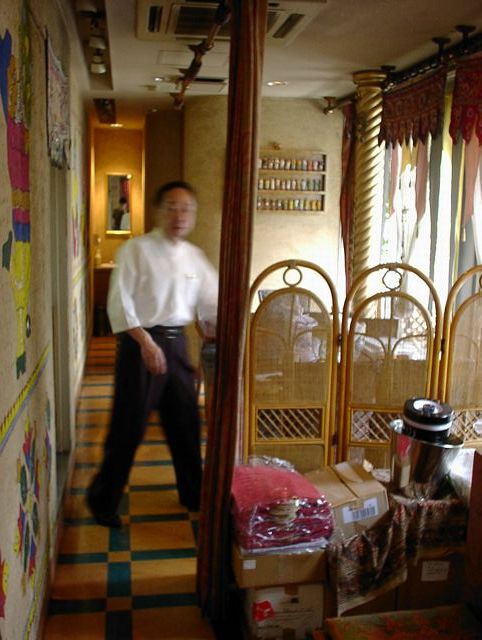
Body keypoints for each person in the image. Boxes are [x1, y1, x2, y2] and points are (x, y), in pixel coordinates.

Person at [87, 181, 218, 527]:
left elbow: (211, 303)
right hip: (140, 344)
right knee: (128, 426)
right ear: (159, 211)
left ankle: (193, 494)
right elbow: (119, 300)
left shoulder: (194, 257)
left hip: (177, 346)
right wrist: (145, 343)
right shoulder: (136, 250)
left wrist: (214, 333)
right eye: (172, 207)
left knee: (186, 424)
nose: (179, 215)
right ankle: (102, 501)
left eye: (186, 208)